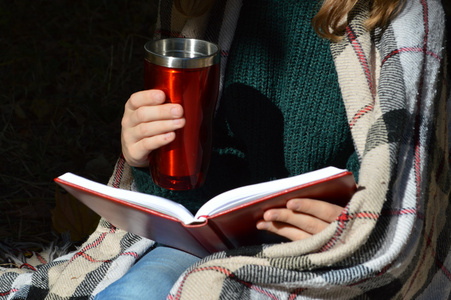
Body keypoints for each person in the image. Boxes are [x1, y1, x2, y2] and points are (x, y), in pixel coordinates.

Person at [95, 0, 418, 299]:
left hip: (326, 253)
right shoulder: (210, 11)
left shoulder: (397, 18)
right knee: (137, 290)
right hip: (209, 243)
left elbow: (400, 182)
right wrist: (152, 158)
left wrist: (359, 228)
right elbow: (201, 195)